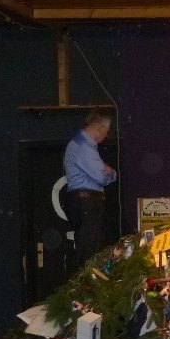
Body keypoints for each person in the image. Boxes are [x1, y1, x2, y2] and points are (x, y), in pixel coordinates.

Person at [63, 109, 117, 264]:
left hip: (83, 202)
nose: (106, 135)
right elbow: (101, 176)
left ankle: (87, 283)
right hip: (86, 202)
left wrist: (108, 171)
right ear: (99, 127)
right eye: (105, 131)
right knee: (90, 249)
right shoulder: (83, 147)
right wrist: (110, 173)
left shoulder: (82, 145)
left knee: (89, 246)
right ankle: (87, 285)